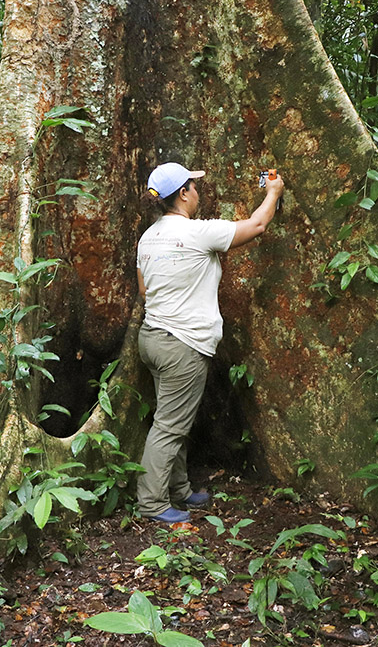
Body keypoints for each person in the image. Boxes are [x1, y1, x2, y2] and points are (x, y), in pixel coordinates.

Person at [135, 162, 285, 523]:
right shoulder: (196, 233)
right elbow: (257, 225)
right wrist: (273, 193)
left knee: (174, 418)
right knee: (169, 426)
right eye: (194, 185)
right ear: (183, 194)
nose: (198, 191)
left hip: (153, 337)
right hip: (181, 345)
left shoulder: (148, 237)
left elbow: (144, 291)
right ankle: (151, 504)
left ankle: (180, 489)